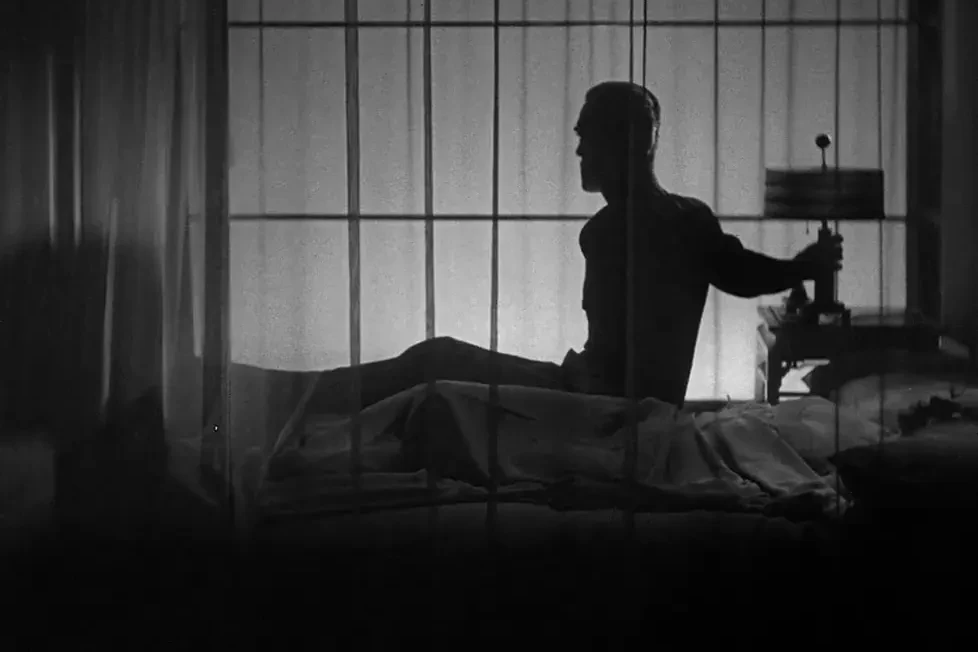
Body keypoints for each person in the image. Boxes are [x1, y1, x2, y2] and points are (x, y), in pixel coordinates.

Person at [302, 81, 841, 415]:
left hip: (601, 408)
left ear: (625, 142)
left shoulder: (610, 231)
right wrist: (800, 267)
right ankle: (302, 398)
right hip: (617, 398)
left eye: (587, 136)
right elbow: (741, 273)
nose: (579, 150)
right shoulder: (689, 218)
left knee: (437, 359)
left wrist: (799, 269)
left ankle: (299, 400)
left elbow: (613, 368)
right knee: (438, 359)